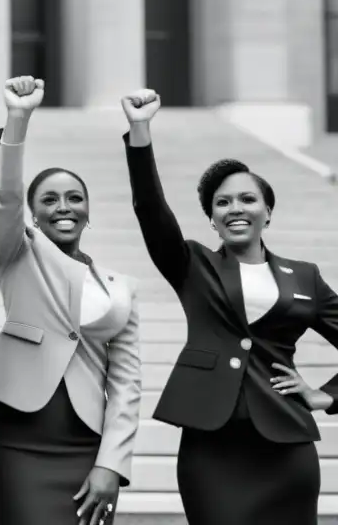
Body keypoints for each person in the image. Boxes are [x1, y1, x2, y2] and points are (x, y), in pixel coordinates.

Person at [121, 88, 338, 525]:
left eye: (247, 199)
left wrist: (326, 396)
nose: (235, 208)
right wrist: (140, 131)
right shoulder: (192, 264)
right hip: (211, 446)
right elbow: (149, 209)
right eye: (223, 202)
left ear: (267, 212)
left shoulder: (305, 277)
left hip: (286, 445)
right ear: (212, 218)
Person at [0, 76, 141, 525]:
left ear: (88, 212)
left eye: (75, 198)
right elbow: (5, 199)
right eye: (49, 199)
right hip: (18, 445)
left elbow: (127, 384)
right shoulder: (17, 255)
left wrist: (112, 463)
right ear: (33, 214)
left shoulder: (120, 287)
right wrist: (17, 120)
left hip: (87, 450)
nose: (63, 206)